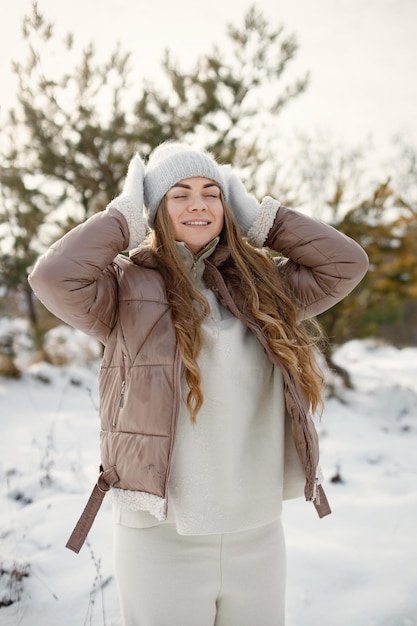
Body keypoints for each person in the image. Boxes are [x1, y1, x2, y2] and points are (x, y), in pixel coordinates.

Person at [29, 142, 368, 626]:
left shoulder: (263, 287)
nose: (197, 204)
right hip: (161, 534)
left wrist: (263, 222)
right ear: (154, 210)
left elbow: (345, 263)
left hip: (256, 529)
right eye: (178, 193)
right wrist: (123, 217)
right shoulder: (125, 290)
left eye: (212, 193)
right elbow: (53, 277)